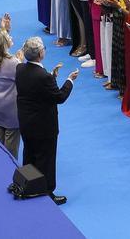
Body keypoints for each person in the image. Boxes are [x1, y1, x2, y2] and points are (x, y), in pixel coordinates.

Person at [15, 36, 77, 205]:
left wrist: (52, 76)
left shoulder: (20, 69)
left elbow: (37, 89)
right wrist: (70, 80)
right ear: (41, 54)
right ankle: (47, 191)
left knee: (29, 154)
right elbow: (59, 97)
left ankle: (28, 183)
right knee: (46, 159)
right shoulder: (44, 77)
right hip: (44, 126)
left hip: (26, 122)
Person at [0, 26, 22, 158]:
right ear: (4, 44)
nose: (11, 37)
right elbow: (21, 78)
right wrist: (20, 60)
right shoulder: (13, 63)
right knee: (11, 141)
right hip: (10, 108)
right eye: (8, 37)